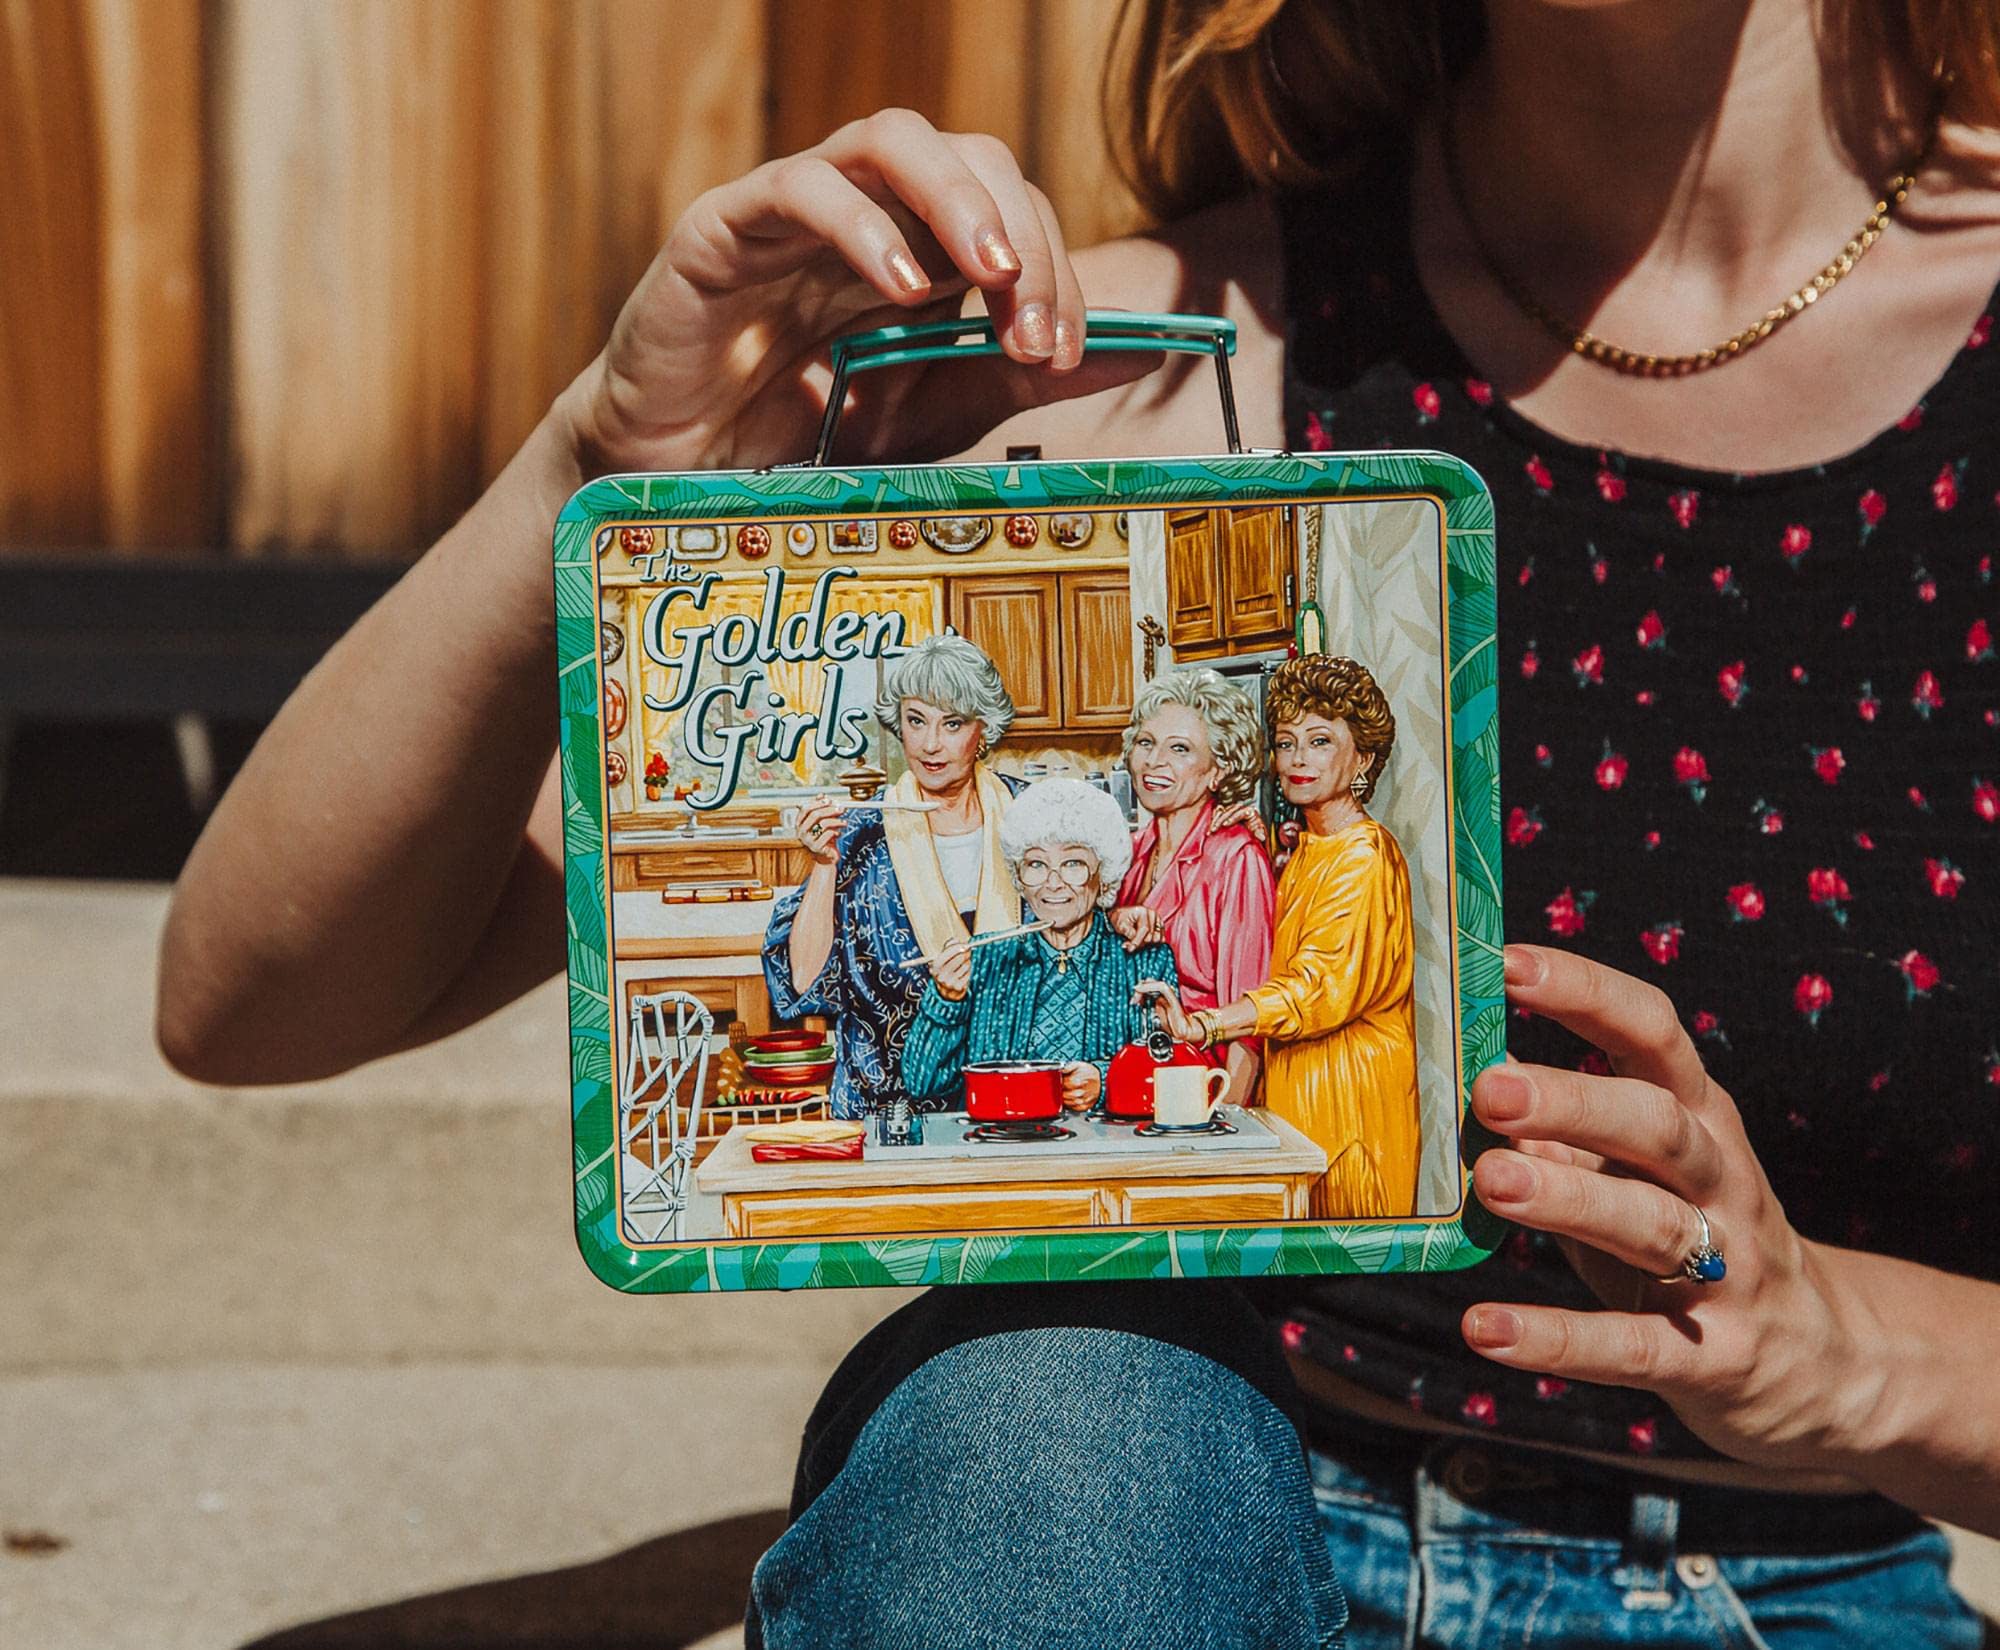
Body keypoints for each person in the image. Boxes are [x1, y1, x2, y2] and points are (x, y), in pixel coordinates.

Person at [155, 0, 2000, 1643]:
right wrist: (594, 460)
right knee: (1056, 1426)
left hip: (1797, 1579)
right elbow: (258, 1000)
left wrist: (1855, 1349)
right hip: (1174, 1511)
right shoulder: (1157, 353)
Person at [1150, 655, 1421, 1221]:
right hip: (1302, 1113)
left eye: (1320, 741)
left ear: (1363, 756)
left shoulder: (1365, 855)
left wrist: (1204, 1023)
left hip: (1352, 1115)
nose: (1297, 759)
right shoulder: (1305, 847)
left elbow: (1314, 989)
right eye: (1286, 742)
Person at [761, 633, 1022, 1122]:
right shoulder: (861, 830)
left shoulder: (1033, 820)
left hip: (1012, 1104)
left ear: (983, 729)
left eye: (952, 724)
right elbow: (803, 981)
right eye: (916, 721)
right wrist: (823, 865)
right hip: (884, 1109)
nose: (929, 744)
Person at [901, 777, 1177, 1112]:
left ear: (1102, 872)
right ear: (1018, 875)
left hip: (1110, 1155)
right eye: (1036, 865)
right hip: (1002, 1152)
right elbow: (921, 1083)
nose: (1053, 883)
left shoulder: (1143, 959)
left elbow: (1169, 1071)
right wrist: (946, 1002)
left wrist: (1105, 1082)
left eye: (1073, 864)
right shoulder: (984, 957)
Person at [1112, 667, 1276, 1107]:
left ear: (1217, 771)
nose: (1154, 762)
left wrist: (1227, 1124)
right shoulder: (1126, 853)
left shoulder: (1236, 858)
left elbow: (1251, 1029)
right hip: (1129, 1090)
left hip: (1199, 1096)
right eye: (1146, 744)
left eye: (1179, 749)